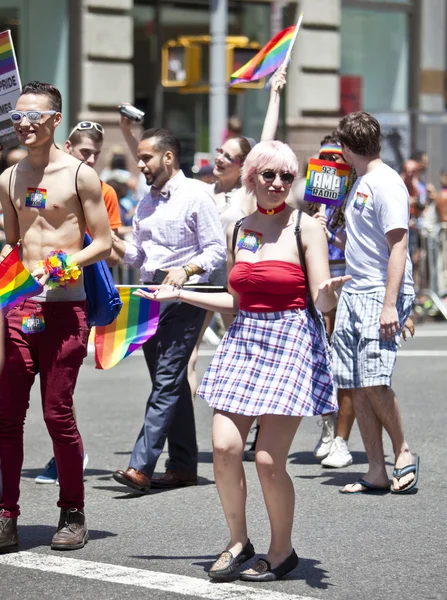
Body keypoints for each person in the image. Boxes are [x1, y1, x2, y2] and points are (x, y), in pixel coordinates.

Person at [136, 140, 348, 582]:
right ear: (251, 177)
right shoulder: (240, 228)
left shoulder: (305, 228)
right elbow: (234, 299)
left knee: (270, 462)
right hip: (243, 340)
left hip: (291, 342)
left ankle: (282, 550)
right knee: (225, 450)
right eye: (268, 175)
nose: (277, 183)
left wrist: (329, 293)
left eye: (286, 176)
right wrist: (178, 293)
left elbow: (321, 297)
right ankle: (238, 542)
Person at [0, 81, 111, 552]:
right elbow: (11, 240)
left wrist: (69, 263)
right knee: (6, 416)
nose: (23, 124)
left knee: (56, 413)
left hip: (67, 308)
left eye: (33, 116)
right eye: (16, 118)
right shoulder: (8, 178)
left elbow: (102, 242)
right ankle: (6, 513)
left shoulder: (80, 175)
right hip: (20, 309)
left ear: (55, 120)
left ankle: (72, 510)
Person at [110, 127, 226, 492]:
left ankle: (140, 466)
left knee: (166, 380)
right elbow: (138, 257)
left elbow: (215, 250)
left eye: (146, 157)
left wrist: (186, 270)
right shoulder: (147, 202)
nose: (140, 163)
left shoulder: (196, 195)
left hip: (186, 296)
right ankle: (183, 466)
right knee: (169, 383)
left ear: (169, 157)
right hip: (150, 296)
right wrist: (106, 241)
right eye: (139, 157)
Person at [33, 120, 124, 486]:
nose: (91, 159)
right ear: (68, 145)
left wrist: (86, 240)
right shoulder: (35, 179)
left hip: (73, 300)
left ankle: (67, 454)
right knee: (26, 377)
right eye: (85, 152)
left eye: (96, 154)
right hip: (31, 299)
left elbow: (112, 251)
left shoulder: (100, 190)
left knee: (58, 383)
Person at [332, 111, 418, 495]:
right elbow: (365, 243)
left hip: (376, 292)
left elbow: (398, 246)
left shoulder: (386, 183)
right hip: (354, 290)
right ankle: (376, 470)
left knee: (375, 381)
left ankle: (404, 452)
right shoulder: (361, 182)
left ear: (347, 148)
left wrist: (391, 305)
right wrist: (330, 237)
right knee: (356, 383)